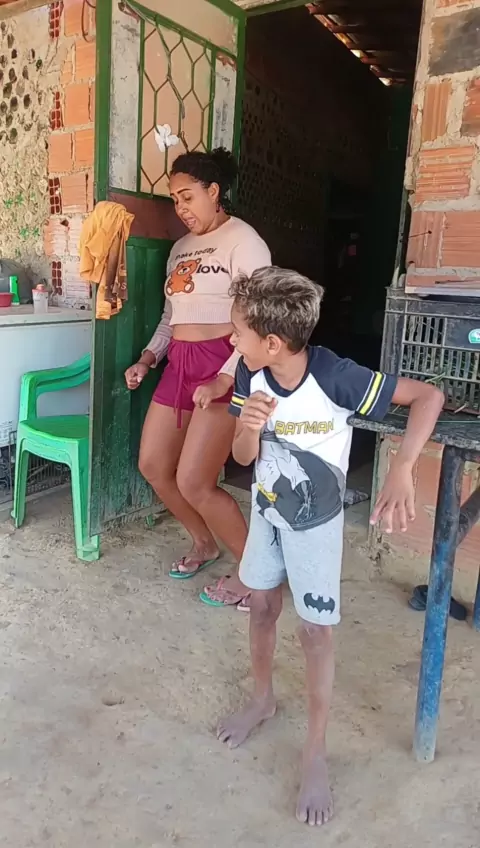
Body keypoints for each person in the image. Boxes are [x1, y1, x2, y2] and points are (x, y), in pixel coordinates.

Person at [216, 267, 445, 825]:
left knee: (316, 633)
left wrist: (403, 467)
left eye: (238, 331)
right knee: (262, 605)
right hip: (267, 514)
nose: (231, 339)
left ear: (273, 342)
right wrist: (248, 427)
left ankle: (315, 752)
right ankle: (263, 698)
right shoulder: (250, 374)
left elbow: (428, 397)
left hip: (315, 526)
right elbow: (242, 458)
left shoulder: (336, 377)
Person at [124, 148, 271, 609]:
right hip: (180, 364)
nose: (181, 208)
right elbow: (172, 317)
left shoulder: (244, 241)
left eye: (188, 196)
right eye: (175, 199)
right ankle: (204, 543)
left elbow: (258, 320)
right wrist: (149, 358)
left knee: (195, 481)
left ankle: (256, 575)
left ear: (214, 191)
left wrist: (225, 378)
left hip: (225, 362)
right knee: (153, 465)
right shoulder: (180, 249)